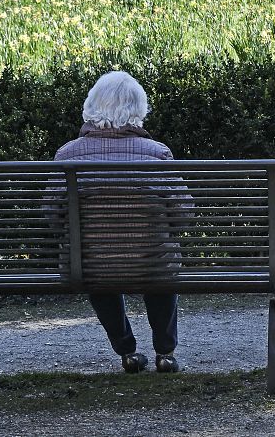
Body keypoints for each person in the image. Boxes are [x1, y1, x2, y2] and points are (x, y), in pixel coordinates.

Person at [55, 71, 182, 375]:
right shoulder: (158, 154)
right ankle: (165, 352)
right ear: (139, 110)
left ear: (92, 106)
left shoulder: (67, 154)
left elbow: (52, 213)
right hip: (152, 264)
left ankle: (127, 351)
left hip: (92, 265)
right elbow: (183, 213)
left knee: (96, 267)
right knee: (162, 265)